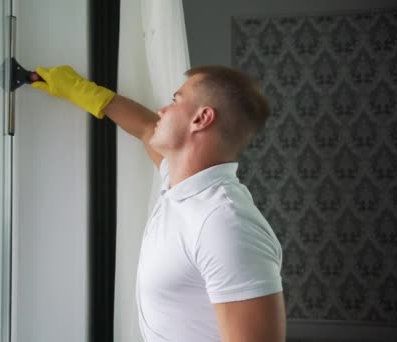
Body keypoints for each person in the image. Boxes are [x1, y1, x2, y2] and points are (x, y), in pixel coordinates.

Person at [32, 65, 286, 342]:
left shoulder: (224, 224)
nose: (162, 111)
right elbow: (144, 127)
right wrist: (82, 91)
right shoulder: (180, 186)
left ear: (201, 119)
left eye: (175, 101)